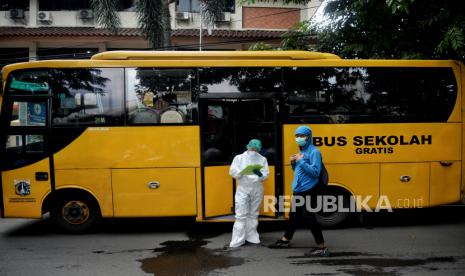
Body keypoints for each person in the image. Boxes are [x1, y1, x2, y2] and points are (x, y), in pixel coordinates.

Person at [269, 126, 329, 257]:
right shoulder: (302, 150)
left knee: (309, 218)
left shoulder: (314, 152)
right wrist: (293, 163)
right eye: (297, 136)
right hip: (298, 189)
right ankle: (286, 240)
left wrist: (300, 161)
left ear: (309, 137)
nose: (299, 138)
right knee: (294, 216)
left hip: (308, 190)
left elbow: (315, 172)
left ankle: (321, 247)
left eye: (302, 136)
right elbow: (299, 172)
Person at [229, 139, 269, 248]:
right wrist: (241, 173)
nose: (253, 150)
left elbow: (266, 175)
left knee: (253, 213)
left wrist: (259, 174)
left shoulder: (262, 159)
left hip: (257, 187)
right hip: (243, 187)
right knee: (241, 214)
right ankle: (238, 240)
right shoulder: (239, 158)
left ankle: (251, 236)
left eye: (256, 148)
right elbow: (232, 171)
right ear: (248, 146)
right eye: (252, 147)